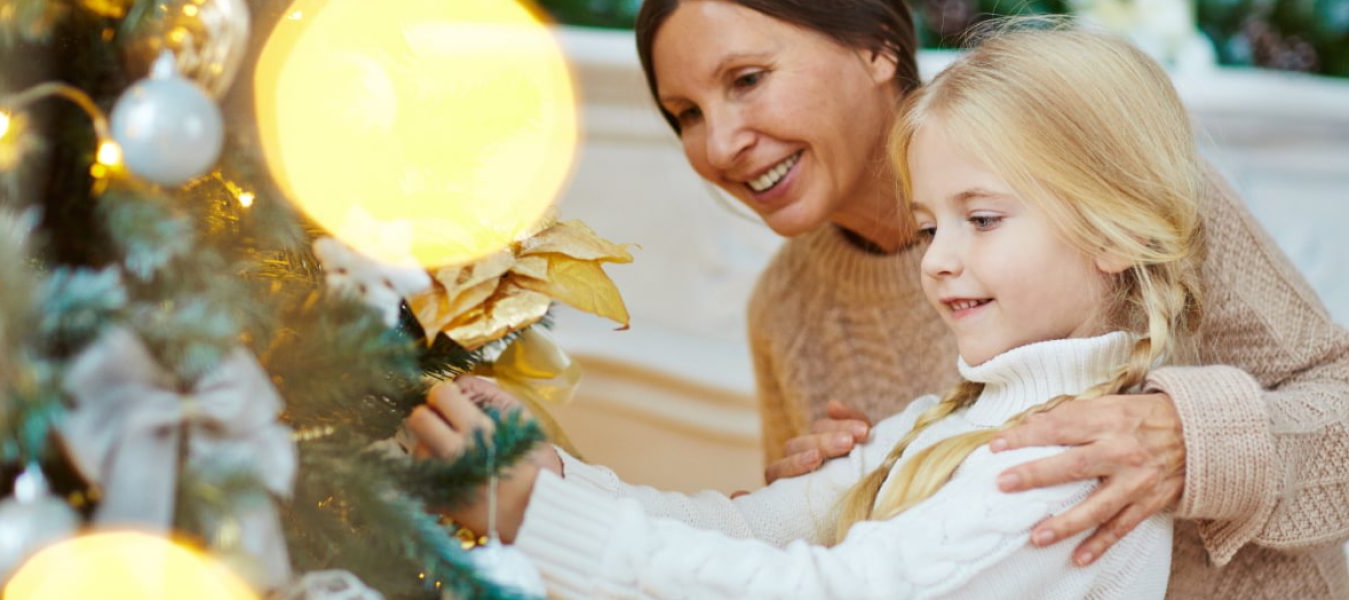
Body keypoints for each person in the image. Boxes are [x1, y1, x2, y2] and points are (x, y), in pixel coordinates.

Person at [410, 24, 1215, 598]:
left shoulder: (1062, 464)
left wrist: (537, 515)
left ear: (1114, 233)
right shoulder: (952, 416)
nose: (934, 258)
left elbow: (822, 589)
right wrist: (550, 478)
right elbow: (757, 531)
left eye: (983, 219)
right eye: (929, 224)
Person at [623, 1, 1349, 597]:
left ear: (877, 46)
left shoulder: (1098, 176)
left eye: (746, 79)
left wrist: (1192, 442)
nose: (718, 144)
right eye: (684, 113)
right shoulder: (785, 310)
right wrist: (837, 496)